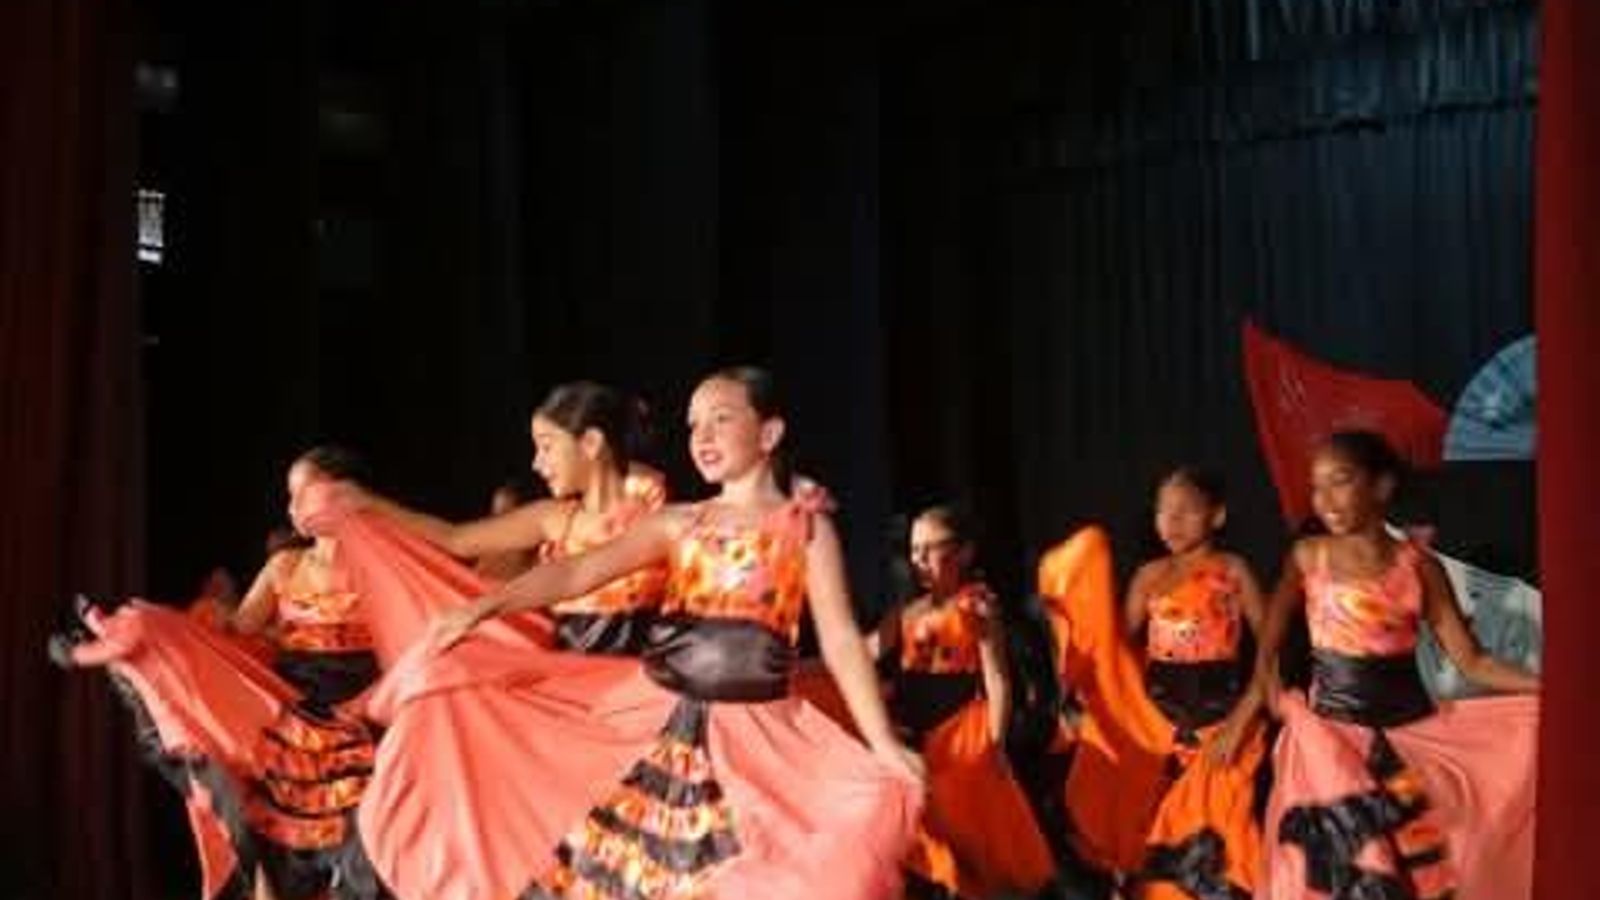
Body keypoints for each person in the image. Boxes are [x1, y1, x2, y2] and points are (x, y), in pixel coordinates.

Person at [325, 366, 922, 899]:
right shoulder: (680, 523)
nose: (703, 435)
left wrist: (882, 742)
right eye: (693, 425)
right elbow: (577, 571)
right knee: (634, 865)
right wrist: (483, 607)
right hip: (659, 712)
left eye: (721, 419)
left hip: (758, 733)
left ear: (769, 433)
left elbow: (840, 641)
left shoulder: (803, 526)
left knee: (787, 861)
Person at [52, 447, 379, 900]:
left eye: (304, 493)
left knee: (350, 822)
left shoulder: (378, 562)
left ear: (344, 493)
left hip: (357, 709)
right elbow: (242, 630)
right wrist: (204, 620)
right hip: (291, 705)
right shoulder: (285, 566)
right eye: (289, 497)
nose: (293, 508)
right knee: (246, 793)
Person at [1250, 430, 1538, 899]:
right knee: (1346, 872)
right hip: (1330, 742)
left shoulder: (1417, 567)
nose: (1324, 499)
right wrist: (1267, 682)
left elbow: (1472, 660)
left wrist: (1547, 687)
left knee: (1428, 865)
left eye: (1340, 481)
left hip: (1407, 737)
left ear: (1380, 487)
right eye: (1317, 486)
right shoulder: (1309, 556)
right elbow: (1272, 630)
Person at [354, 381, 668, 654]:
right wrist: (371, 504)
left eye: (547, 447)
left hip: (640, 684)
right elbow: (456, 538)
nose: (536, 463)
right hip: (574, 681)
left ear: (590, 443)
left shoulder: (657, 514)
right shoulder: (555, 519)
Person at [872, 504, 1055, 898]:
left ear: (964, 552)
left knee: (970, 838)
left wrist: (996, 742)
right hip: (915, 737)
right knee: (927, 837)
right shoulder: (906, 613)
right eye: (914, 550)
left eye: (930, 548)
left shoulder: (977, 604)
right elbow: (861, 653)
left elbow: (997, 678)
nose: (919, 559)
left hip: (960, 736)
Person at [1121, 467, 1265, 899]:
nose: (1172, 521)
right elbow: (1115, 653)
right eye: (1163, 510)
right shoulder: (1148, 576)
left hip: (1220, 724)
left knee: (1222, 836)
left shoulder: (1232, 569)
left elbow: (1271, 650)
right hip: (1161, 728)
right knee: (1159, 838)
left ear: (1217, 515)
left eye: (1186, 510)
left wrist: (1241, 722)